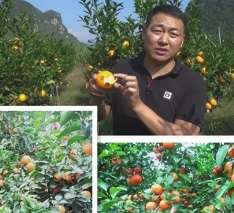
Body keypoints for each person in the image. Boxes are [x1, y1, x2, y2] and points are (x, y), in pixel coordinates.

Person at [87, 5, 206, 135]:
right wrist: (97, 98)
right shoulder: (122, 68)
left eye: (173, 34)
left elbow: (186, 136)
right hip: (119, 154)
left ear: (182, 41)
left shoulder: (192, 82)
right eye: (157, 31)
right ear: (144, 34)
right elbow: (99, 115)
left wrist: (138, 106)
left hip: (163, 154)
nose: (164, 40)